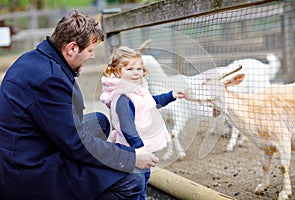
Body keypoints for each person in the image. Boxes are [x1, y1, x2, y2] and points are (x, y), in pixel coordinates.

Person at [0, 10, 159, 200]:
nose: (92, 56)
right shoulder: (49, 79)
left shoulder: (33, 59)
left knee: (99, 121)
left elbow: (70, 133)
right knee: (133, 178)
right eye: (90, 50)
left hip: (29, 149)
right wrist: (131, 156)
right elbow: (76, 143)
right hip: (30, 171)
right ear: (72, 48)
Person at [100, 46, 185, 200]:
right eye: (130, 69)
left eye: (139, 68)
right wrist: (139, 148)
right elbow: (127, 127)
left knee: (144, 178)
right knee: (136, 181)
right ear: (118, 72)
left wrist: (171, 95)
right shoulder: (123, 97)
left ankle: (142, 197)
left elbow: (152, 102)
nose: (136, 72)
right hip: (133, 150)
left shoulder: (138, 91)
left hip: (142, 149)